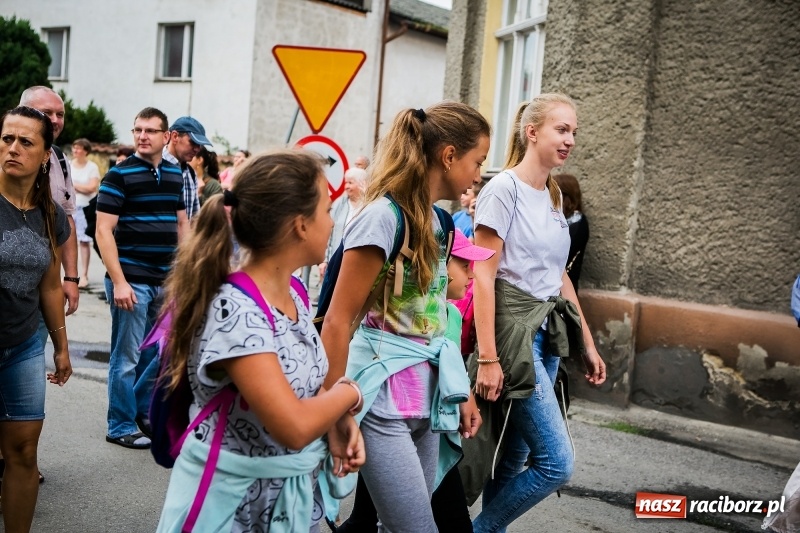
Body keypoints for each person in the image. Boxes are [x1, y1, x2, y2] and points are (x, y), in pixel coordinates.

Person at [155, 150, 365, 532]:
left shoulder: (294, 293)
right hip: (231, 511)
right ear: (300, 225)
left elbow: (301, 385)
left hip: (283, 502)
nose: (333, 221)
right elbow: (294, 426)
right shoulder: (236, 311)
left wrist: (335, 420)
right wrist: (348, 394)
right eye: (326, 210)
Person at [321, 102, 489, 533]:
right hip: (382, 403)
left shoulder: (441, 222)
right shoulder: (382, 218)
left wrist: (460, 391)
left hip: (427, 403)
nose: (478, 175)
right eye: (477, 161)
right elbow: (338, 320)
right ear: (448, 156)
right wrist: (334, 412)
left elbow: (435, 321)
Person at [467, 94, 607, 533]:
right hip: (515, 336)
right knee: (556, 463)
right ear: (532, 132)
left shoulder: (553, 192)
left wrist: (587, 343)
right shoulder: (502, 190)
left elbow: (559, 275)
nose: (570, 140)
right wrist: (488, 357)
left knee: (514, 457)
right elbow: (484, 276)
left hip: (548, 335)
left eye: (574, 132)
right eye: (561, 130)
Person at [95, 107, 189, 449]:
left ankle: (140, 411)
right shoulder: (119, 175)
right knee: (126, 358)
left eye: (150, 130)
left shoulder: (175, 174)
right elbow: (103, 231)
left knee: (157, 354)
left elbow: (182, 224)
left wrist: (184, 273)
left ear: (167, 137)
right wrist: (119, 281)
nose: (142, 136)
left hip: (166, 280)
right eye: (137, 130)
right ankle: (119, 425)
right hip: (131, 279)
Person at [0, 105, 72, 532]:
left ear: (46, 155)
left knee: (24, 452)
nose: (13, 148)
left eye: (25, 141)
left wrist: (61, 347)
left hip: (24, 345)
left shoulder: (51, 214)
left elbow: (50, 285)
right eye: (7, 138)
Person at [19, 87, 80, 317]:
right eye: (47, 112)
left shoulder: (60, 159)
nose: (55, 120)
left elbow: (67, 221)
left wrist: (71, 277)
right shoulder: (5, 155)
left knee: (40, 337)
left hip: (45, 284)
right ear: (22, 112)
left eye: (60, 114)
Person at [318, 167, 367, 279]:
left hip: (357, 263)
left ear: (361, 184)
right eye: (346, 183)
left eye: (350, 183)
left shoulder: (367, 207)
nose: (346, 187)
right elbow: (328, 232)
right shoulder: (340, 204)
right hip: (336, 261)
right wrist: (324, 260)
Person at [163, 116, 212, 220]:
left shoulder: (191, 173)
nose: (197, 149)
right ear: (175, 136)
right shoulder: (154, 166)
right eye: (193, 142)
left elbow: (194, 218)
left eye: (199, 145)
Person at [69, 138, 100, 289]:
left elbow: (92, 188)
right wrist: (81, 187)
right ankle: (70, 275)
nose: (75, 150)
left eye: (79, 148)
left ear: (86, 151)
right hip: (69, 207)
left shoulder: (92, 167)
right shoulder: (68, 164)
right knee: (67, 241)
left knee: (84, 241)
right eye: (74, 147)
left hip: (85, 208)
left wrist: (74, 185)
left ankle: (85, 275)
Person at [554, 173, 589, 290]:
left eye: (554, 193)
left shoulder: (577, 222)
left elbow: (559, 254)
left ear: (566, 197)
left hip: (563, 290)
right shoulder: (561, 219)